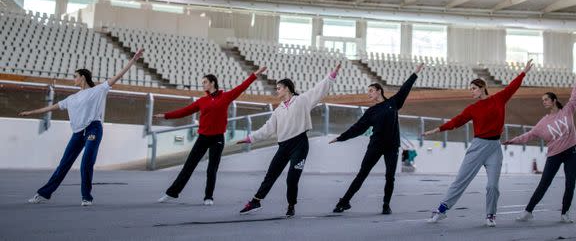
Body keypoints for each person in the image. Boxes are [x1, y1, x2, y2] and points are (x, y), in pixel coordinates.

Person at [21, 49, 144, 206]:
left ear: (83, 78)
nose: (74, 79)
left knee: (86, 162)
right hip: (78, 133)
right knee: (64, 163)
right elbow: (51, 108)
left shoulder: (97, 90)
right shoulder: (71, 98)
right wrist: (31, 112)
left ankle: (86, 197)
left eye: (75, 76)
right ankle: (43, 194)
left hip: (93, 128)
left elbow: (117, 77)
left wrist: (133, 60)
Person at [423, 60, 534, 227]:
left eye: (473, 89)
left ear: (482, 88)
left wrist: (523, 72)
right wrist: (436, 130)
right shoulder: (472, 109)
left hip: (494, 148)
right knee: (461, 180)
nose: (471, 92)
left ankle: (491, 215)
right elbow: (456, 121)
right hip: (478, 147)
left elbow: (512, 87)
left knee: (492, 186)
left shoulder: (499, 99)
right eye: (470, 89)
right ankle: (441, 210)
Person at [237, 63, 341, 217]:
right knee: (270, 175)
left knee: (292, 178)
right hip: (283, 147)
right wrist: (250, 138)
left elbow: (318, 90)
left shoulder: (302, 100)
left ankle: (291, 205)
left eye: (279, 88)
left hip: (300, 145)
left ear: (287, 88)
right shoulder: (278, 110)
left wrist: (331, 77)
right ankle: (255, 201)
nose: (277, 91)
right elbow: (267, 129)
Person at [155, 66, 267, 205]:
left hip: (217, 138)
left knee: (212, 169)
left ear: (212, 82)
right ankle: (172, 193)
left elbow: (241, 87)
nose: (203, 85)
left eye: (205, 82)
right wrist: (166, 116)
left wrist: (254, 75)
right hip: (203, 137)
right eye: (202, 83)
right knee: (188, 166)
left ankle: (208, 197)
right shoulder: (202, 101)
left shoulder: (226, 97)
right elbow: (185, 111)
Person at [329, 63, 424, 215]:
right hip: (375, 146)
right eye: (368, 92)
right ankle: (344, 202)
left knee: (390, 177)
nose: (369, 94)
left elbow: (405, 89)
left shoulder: (393, 103)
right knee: (362, 174)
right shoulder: (371, 112)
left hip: (392, 147)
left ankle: (386, 205)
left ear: (379, 91)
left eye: (371, 91)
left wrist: (415, 73)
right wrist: (341, 137)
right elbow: (358, 128)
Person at [504, 61, 576, 224]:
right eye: (543, 100)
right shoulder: (543, 122)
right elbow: (530, 135)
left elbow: (575, 96)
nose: (544, 102)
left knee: (570, 185)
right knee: (543, 184)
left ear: (554, 100)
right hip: (554, 155)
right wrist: (513, 141)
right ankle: (528, 211)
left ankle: (565, 213)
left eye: (546, 99)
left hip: (570, 153)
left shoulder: (567, 111)